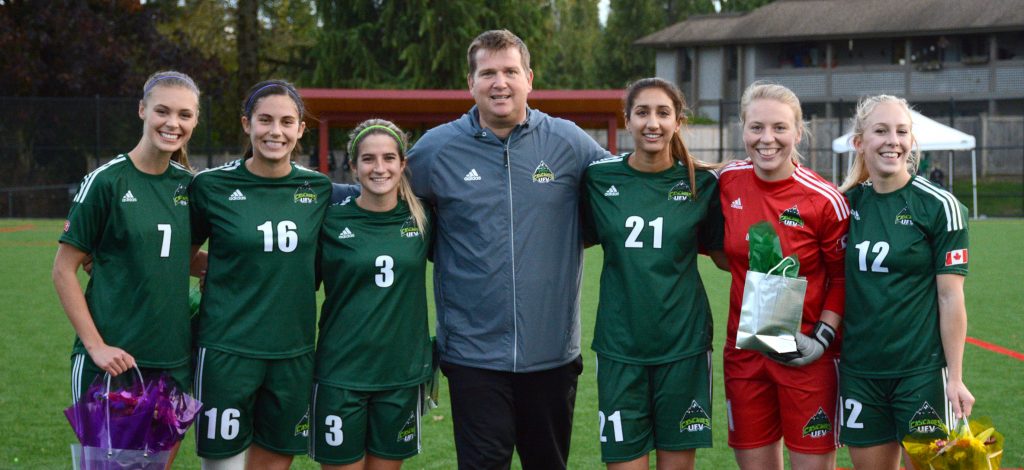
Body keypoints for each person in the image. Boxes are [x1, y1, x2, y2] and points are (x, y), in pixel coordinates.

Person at [405, 29, 609, 470]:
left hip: (552, 352)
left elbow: (624, 190)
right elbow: (389, 209)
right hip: (472, 355)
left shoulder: (569, 143)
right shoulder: (435, 150)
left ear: (529, 79)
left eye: (510, 71)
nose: (500, 82)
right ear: (471, 83)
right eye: (488, 73)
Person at [53, 70, 202, 466]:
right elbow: (63, 270)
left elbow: (179, 259)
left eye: (185, 115)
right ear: (142, 110)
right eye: (163, 111)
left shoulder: (191, 187)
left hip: (174, 363)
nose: (173, 123)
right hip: (113, 363)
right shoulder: (106, 181)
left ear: (195, 121)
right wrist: (95, 346)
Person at [582, 78, 723, 470]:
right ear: (627, 120)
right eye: (642, 112)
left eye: (663, 113)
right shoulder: (599, 178)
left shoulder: (702, 184)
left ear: (678, 121)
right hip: (619, 348)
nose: (652, 122)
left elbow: (727, 256)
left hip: (684, 347)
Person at [190, 79, 331, 470]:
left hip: (293, 352)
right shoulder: (211, 185)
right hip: (227, 350)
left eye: (287, 122)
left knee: (274, 462)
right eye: (265, 120)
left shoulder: (318, 188)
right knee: (224, 465)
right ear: (246, 124)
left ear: (300, 128)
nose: (275, 131)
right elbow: (178, 256)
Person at [717, 82, 849, 470]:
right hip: (744, 355)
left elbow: (841, 279)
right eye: (756, 127)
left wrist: (821, 339)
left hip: (806, 357)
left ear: (798, 131)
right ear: (742, 129)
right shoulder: (727, 181)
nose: (767, 139)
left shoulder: (824, 200)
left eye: (779, 128)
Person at [837, 95, 974, 470]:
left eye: (901, 132)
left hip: (921, 373)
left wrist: (956, 378)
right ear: (860, 142)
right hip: (860, 373)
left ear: (911, 141)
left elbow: (950, 298)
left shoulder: (939, 206)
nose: (892, 141)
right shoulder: (844, 205)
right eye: (880, 131)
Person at [309, 119, 432, 469]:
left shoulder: (423, 219)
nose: (379, 168)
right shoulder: (330, 222)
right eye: (368, 159)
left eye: (389, 158)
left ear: (403, 163)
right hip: (340, 373)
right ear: (352, 166)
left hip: (400, 375)